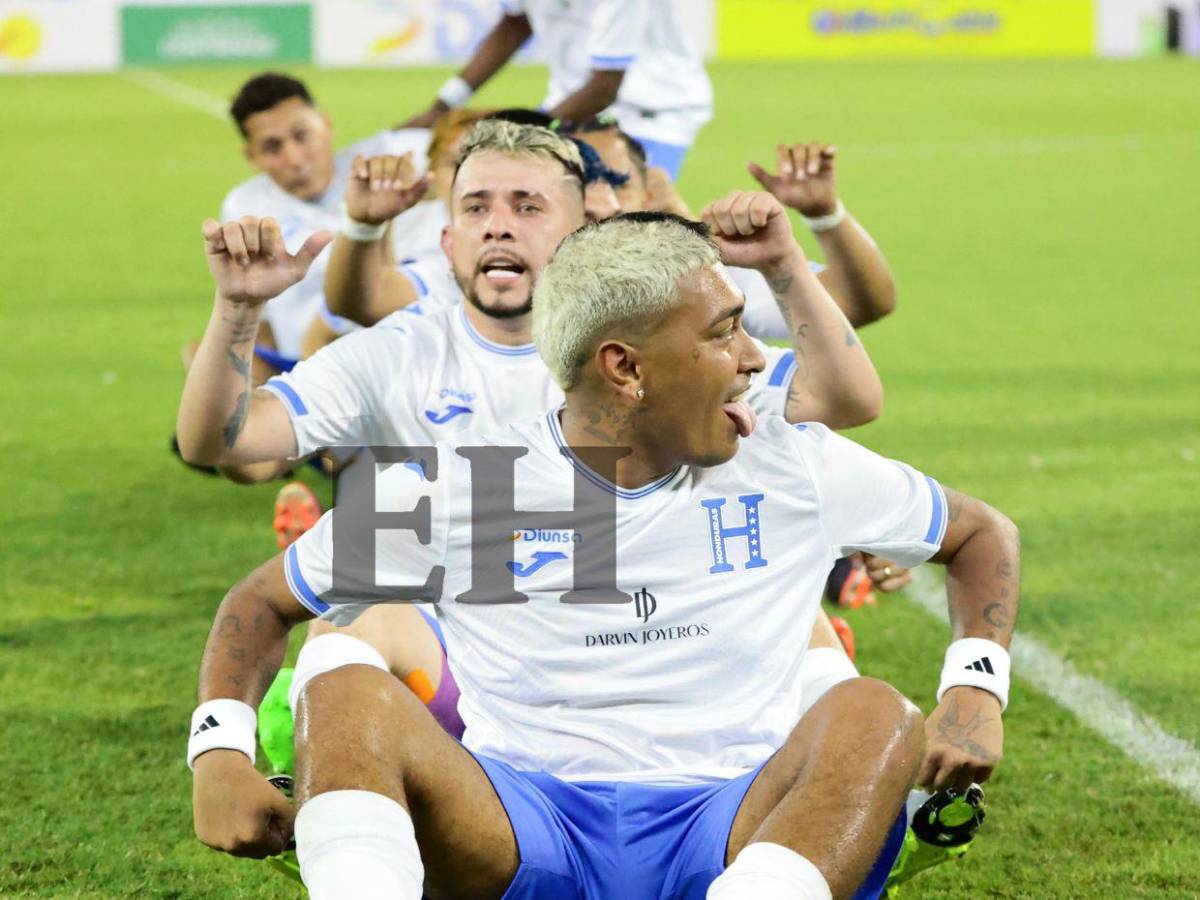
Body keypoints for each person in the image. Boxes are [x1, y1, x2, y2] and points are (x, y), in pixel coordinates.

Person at [187, 211, 1020, 899]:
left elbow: (981, 534)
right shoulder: (478, 485)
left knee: (876, 714)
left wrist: (976, 690)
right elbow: (260, 603)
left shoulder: (785, 457)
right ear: (625, 369)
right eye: (725, 331)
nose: (754, 357)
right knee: (341, 692)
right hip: (521, 824)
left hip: (732, 821)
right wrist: (219, 750)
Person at [403, 0, 712, 178]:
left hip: (653, 109)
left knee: (628, 222)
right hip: (569, 99)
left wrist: (516, 133)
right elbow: (515, 25)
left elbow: (605, 86)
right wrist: (443, 106)